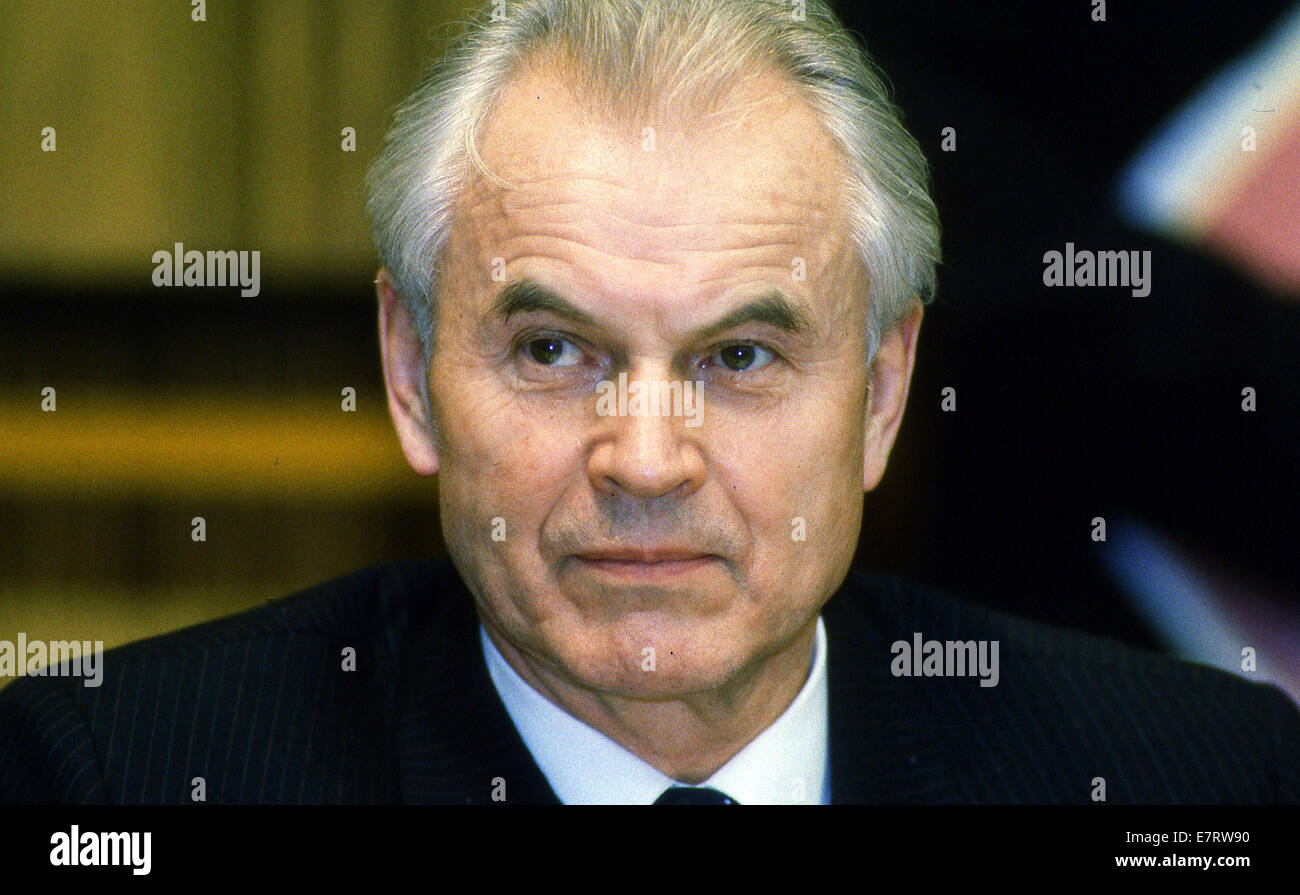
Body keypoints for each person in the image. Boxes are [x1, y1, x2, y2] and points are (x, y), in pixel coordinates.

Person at [2, 0, 1296, 805]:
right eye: (557, 350)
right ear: (409, 375)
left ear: (884, 394)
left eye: (739, 358)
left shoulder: (1202, 776)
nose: (647, 459)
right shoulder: (118, 779)